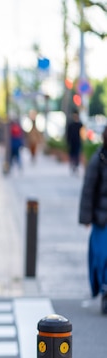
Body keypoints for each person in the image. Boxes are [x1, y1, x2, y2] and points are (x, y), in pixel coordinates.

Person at [79, 127, 107, 314]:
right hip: (101, 218)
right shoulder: (99, 160)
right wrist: (86, 217)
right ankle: (104, 289)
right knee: (101, 257)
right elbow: (88, 189)